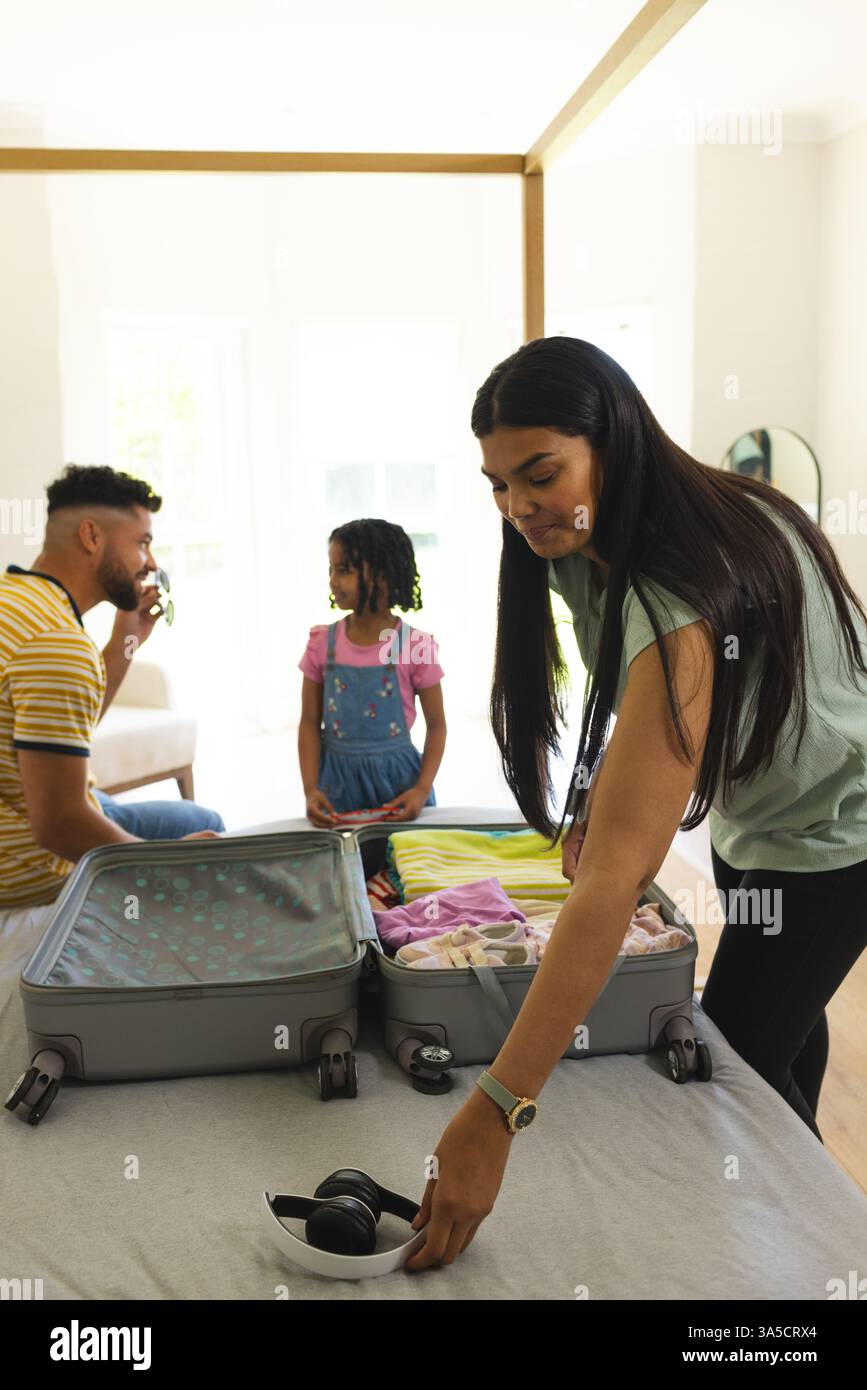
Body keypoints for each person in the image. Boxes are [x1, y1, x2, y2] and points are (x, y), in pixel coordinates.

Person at [405, 335, 867, 1271]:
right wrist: (592, 794)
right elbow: (629, 703)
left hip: (837, 832)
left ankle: (818, 1264)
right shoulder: (588, 542)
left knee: (727, 1068)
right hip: (759, 815)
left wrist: (496, 1110)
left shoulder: (678, 587)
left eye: (539, 474)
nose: (518, 507)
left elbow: (615, 882)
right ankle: (816, 1243)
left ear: (611, 439)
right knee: (779, 1054)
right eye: (497, 484)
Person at [0, 464, 225, 909]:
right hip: (33, 870)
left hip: (29, 806)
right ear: (91, 536)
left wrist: (127, 640)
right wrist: (159, 866)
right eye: (142, 543)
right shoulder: (57, 644)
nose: (152, 564)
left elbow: (65, 732)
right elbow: (61, 823)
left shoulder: (16, 598)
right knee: (208, 826)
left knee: (157, 813)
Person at [298, 518, 446, 825]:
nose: (332, 581)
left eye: (343, 570)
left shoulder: (414, 644)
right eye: (331, 569)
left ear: (382, 576)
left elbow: (437, 727)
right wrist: (311, 789)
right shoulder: (321, 643)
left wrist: (421, 789)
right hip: (336, 787)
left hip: (400, 788)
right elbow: (309, 723)